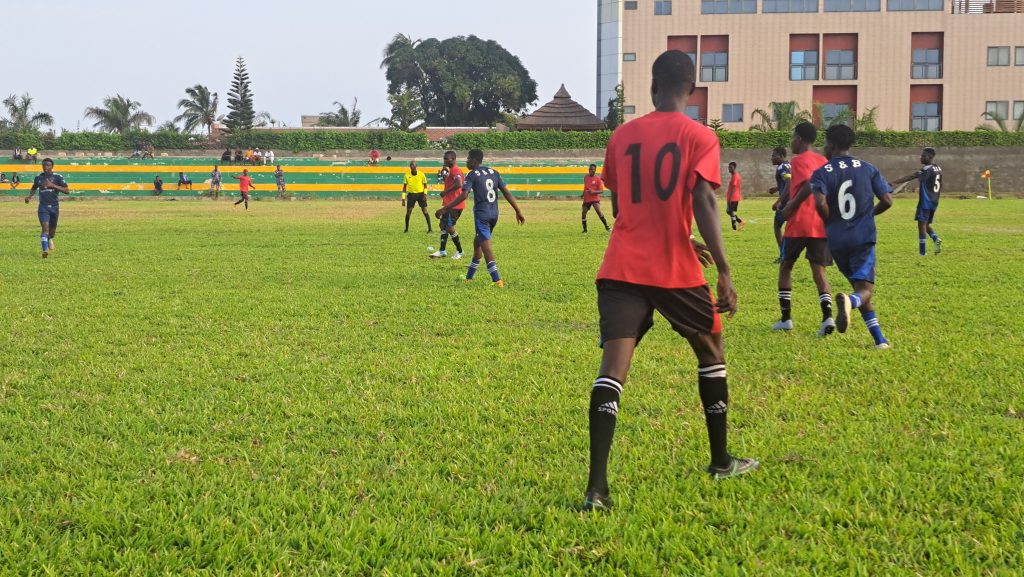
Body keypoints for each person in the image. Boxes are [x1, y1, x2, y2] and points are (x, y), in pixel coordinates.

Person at [582, 50, 756, 513]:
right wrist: (723, 268)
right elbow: (703, 198)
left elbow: (622, 205)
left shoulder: (622, 135)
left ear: (652, 86)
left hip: (621, 266)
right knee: (711, 353)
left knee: (612, 370)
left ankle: (597, 490)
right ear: (693, 90)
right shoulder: (700, 136)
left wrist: (678, 233)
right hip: (673, 269)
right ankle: (720, 461)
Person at [794, 124, 893, 349]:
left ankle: (879, 340)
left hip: (837, 240)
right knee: (863, 291)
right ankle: (851, 302)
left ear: (830, 144)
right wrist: (868, 215)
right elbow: (887, 201)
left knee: (860, 288)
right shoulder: (868, 168)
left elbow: (819, 202)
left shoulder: (822, 172)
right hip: (863, 237)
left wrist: (830, 221)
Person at [435, 149, 525, 286]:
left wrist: (444, 208)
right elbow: (506, 192)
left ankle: (497, 280)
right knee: (478, 243)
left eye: (468, 159)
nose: (466, 161)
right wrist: (518, 211)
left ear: (474, 161)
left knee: (486, 247)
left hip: (482, 215)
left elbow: (464, 195)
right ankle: (469, 277)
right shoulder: (494, 172)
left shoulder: (471, 174)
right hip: (494, 214)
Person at [777, 122, 834, 337]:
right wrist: (781, 198)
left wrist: (790, 206)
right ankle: (827, 316)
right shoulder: (823, 160)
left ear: (799, 139)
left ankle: (786, 319)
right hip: (820, 224)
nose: (791, 142)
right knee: (819, 271)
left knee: (786, 267)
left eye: (792, 137)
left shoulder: (799, 160)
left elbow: (808, 184)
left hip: (799, 223)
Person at [889, 147, 942, 256]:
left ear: (930, 157)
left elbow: (911, 176)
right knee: (925, 223)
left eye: (923, 156)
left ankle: (922, 253)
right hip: (934, 200)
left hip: (926, 201)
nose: (921, 158)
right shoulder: (937, 168)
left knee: (921, 225)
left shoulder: (926, 170)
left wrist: (893, 182)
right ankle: (935, 238)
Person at [25, 158, 70, 258]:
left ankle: (49, 238)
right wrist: (29, 196)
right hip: (43, 207)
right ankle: (45, 250)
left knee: (52, 233)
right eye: (44, 165)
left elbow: (67, 190)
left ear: (52, 166)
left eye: (48, 165)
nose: (45, 167)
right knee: (45, 229)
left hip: (54, 207)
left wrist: (52, 185)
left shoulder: (57, 177)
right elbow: (34, 187)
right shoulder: (38, 178)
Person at [428, 151, 466, 259]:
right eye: (444, 158)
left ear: (453, 159)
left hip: (454, 205)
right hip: (449, 204)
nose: (444, 160)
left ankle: (460, 251)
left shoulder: (455, 170)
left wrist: (445, 191)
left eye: (447, 158)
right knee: (443, 226)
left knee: (449, 227)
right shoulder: (451, 171)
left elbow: (458, 184)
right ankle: (442, 251)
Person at [769, 147, 792, 264]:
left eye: (774, 156)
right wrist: (777, 188)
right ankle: (785, 254)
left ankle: (784, 255)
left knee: (777, 226)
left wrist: (778, 201)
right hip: (791, 201)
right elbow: (787, 181)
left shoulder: (782, 167)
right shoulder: (788, 165)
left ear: (782, 156)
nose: (772, 158)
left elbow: (789, 182)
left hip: (785, 203)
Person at [401, 160, 432, 233]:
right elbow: (404, 188)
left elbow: (425, 186)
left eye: (413, 165)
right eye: (410, 165)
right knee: (408, 211)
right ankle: (406, 229)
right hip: (411, 195)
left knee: (424, 211)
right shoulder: (406, 175)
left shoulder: (421, 174)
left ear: (416, 166)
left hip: (421, 194)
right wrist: (403, 198)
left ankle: (430, 229)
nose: (411, 166)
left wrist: (425, 194)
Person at [581, 163, 611, 233]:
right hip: (587, 199)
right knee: (583, 213)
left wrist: (593, 192)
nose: (590, 170)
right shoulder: (586, 177)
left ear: (595, 170)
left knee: (598, 211)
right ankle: (585, 230)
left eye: (592, 169)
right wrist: (583, 194)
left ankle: (607, 227)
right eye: (590, 169)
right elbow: (585, 187)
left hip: (595, 199)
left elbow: (601, 191)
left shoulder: (597, 179)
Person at [726, 161, 744, 231]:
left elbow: (733, 188)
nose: (729, 169)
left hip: (733, 198)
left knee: (731, 212)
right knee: (729, 211)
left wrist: (730, 199)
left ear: (734, 168)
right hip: (732, 197)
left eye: (731, 167)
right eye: (729, 167)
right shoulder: (733, 175)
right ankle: (740, 221)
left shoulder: (735, 176)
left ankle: (734, 229)